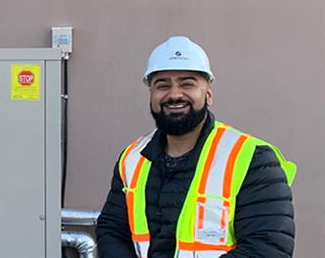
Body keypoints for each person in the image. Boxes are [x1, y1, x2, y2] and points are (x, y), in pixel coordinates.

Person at [95, 36, 297, 258]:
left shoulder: (253, 158)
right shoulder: (132, 158)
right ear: (151, 95)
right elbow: (112, 231)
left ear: (208, 94)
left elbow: (267, 249)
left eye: (187, 83)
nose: (174, 94)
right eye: (162, 84)